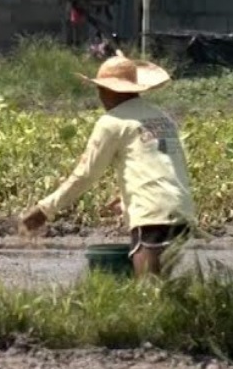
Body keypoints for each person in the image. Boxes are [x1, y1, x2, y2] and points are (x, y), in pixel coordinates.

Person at [20, 52, 197, 278]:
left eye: (100, 90)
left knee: (150, 290)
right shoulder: (162, 118)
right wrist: (125, 197)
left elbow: (85, 175)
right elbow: (166, 164)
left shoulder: (112, 122)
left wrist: (45, 209)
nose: (100, 96)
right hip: (181, 213)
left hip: (153, 216)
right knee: (163, 287)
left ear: (108, 91)